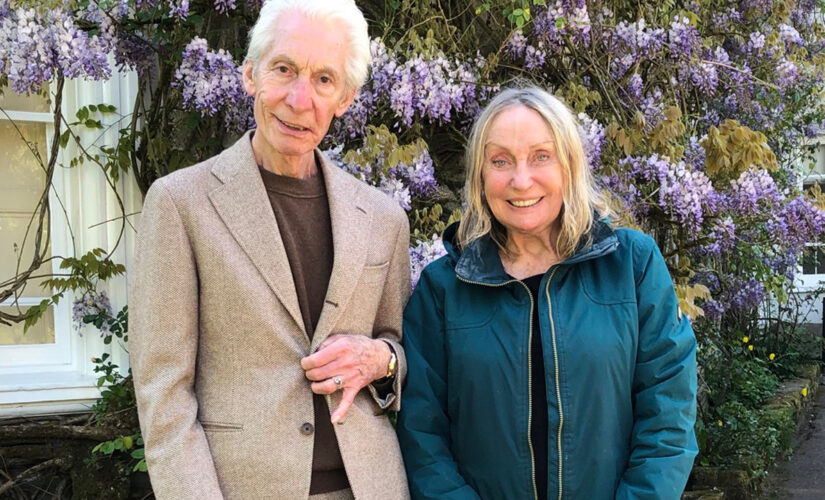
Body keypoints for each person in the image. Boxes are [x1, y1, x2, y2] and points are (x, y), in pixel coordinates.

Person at [129, 1, 411, 499]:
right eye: (284, 69)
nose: (300, 99)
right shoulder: (180, 203)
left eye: (324, 79)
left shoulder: (384, 218)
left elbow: (398, 347)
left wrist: (381, 360)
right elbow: (164, 396)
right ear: (250, 75)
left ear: (344, 98)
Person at [396, 86, 698, 500]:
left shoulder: (633, 266)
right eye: (500, 161)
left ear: (570, 166)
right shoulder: (444, 287)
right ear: (480, 178)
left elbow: (667, 420)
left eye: (541, 157)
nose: (521, 181)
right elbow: (423, 433)